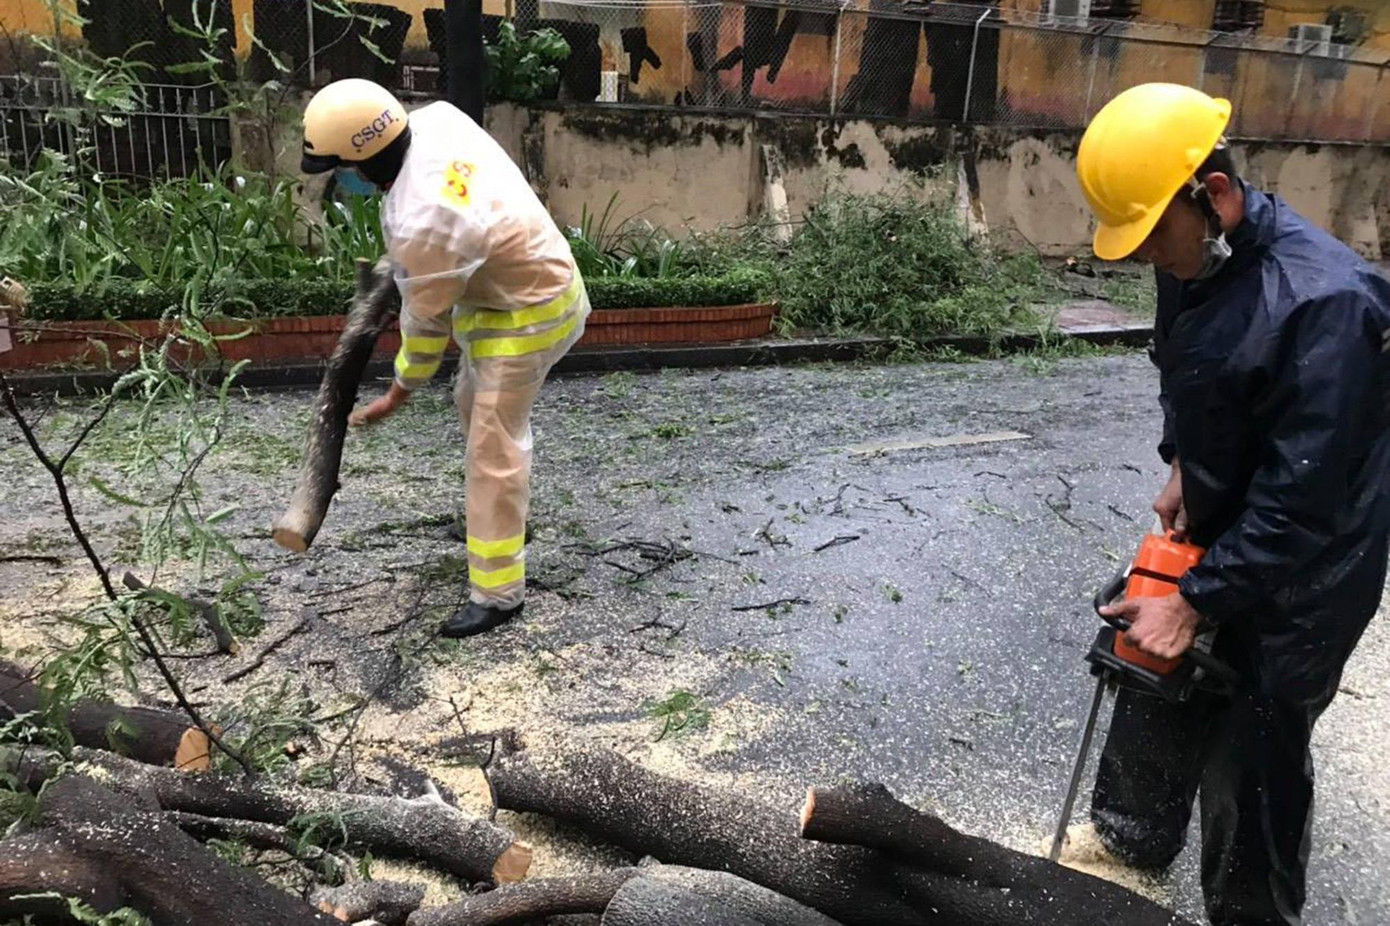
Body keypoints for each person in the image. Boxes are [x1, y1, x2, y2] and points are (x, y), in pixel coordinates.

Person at [1068, 82, 1390, 925]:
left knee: (1254, 739)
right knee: (1151, 655)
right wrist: (1182, 460)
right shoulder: (1192, 260)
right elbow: (1187, 371)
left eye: (1153, 236)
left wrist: (1198, 600)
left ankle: (1251, 914)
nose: (1147, 257)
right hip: (1228, 510)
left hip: (1312, 561)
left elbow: (1304, 497)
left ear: (1212, 193)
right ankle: (1130, 840)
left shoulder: (1327, 303)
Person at [299, 79, 588, 638]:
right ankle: (501, 519)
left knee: (492, 446)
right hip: (511, 291)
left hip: (531, 313)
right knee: (473, 407)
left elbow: (425, 324)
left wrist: (400, 389)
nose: (342, 178)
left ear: (364, 160)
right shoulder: (437, 118)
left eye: (341, 167)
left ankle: (498, 594)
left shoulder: (424, 221)